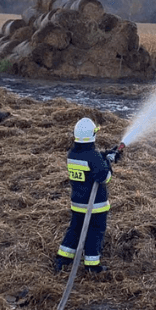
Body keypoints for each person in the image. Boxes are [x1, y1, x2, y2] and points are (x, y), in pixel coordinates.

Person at [53, 117, 120, 274]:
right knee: (95, 232)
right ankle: (92, 265)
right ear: (93, 135)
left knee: (75, 229)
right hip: (95, 206)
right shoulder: (93, 157)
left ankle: (62, 259)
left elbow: (89, 163)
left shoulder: (73, 154)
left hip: (77, 203)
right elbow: (104, 177)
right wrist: (108, 164)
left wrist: (104, 156)